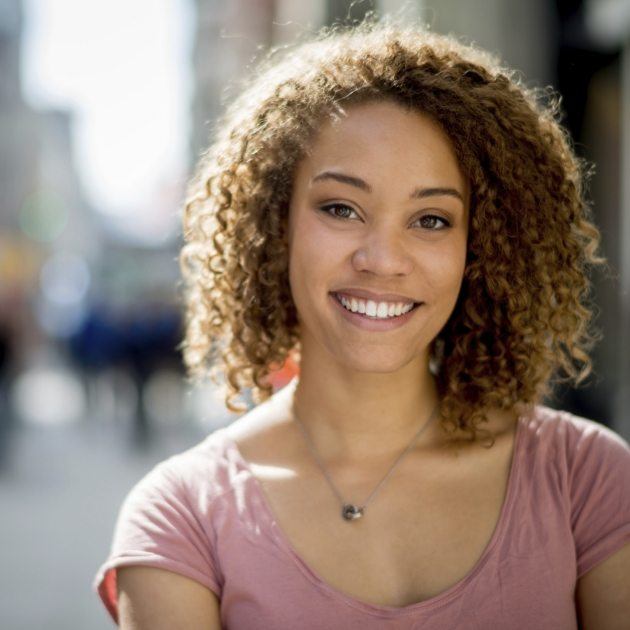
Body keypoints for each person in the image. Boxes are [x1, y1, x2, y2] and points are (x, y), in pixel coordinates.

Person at [93, 17, 630, 629]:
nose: (381, 260)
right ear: (275, 225)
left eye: (431, 219)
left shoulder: (586, 480)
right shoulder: (181, 517)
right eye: (341, 208)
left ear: (480, 247)